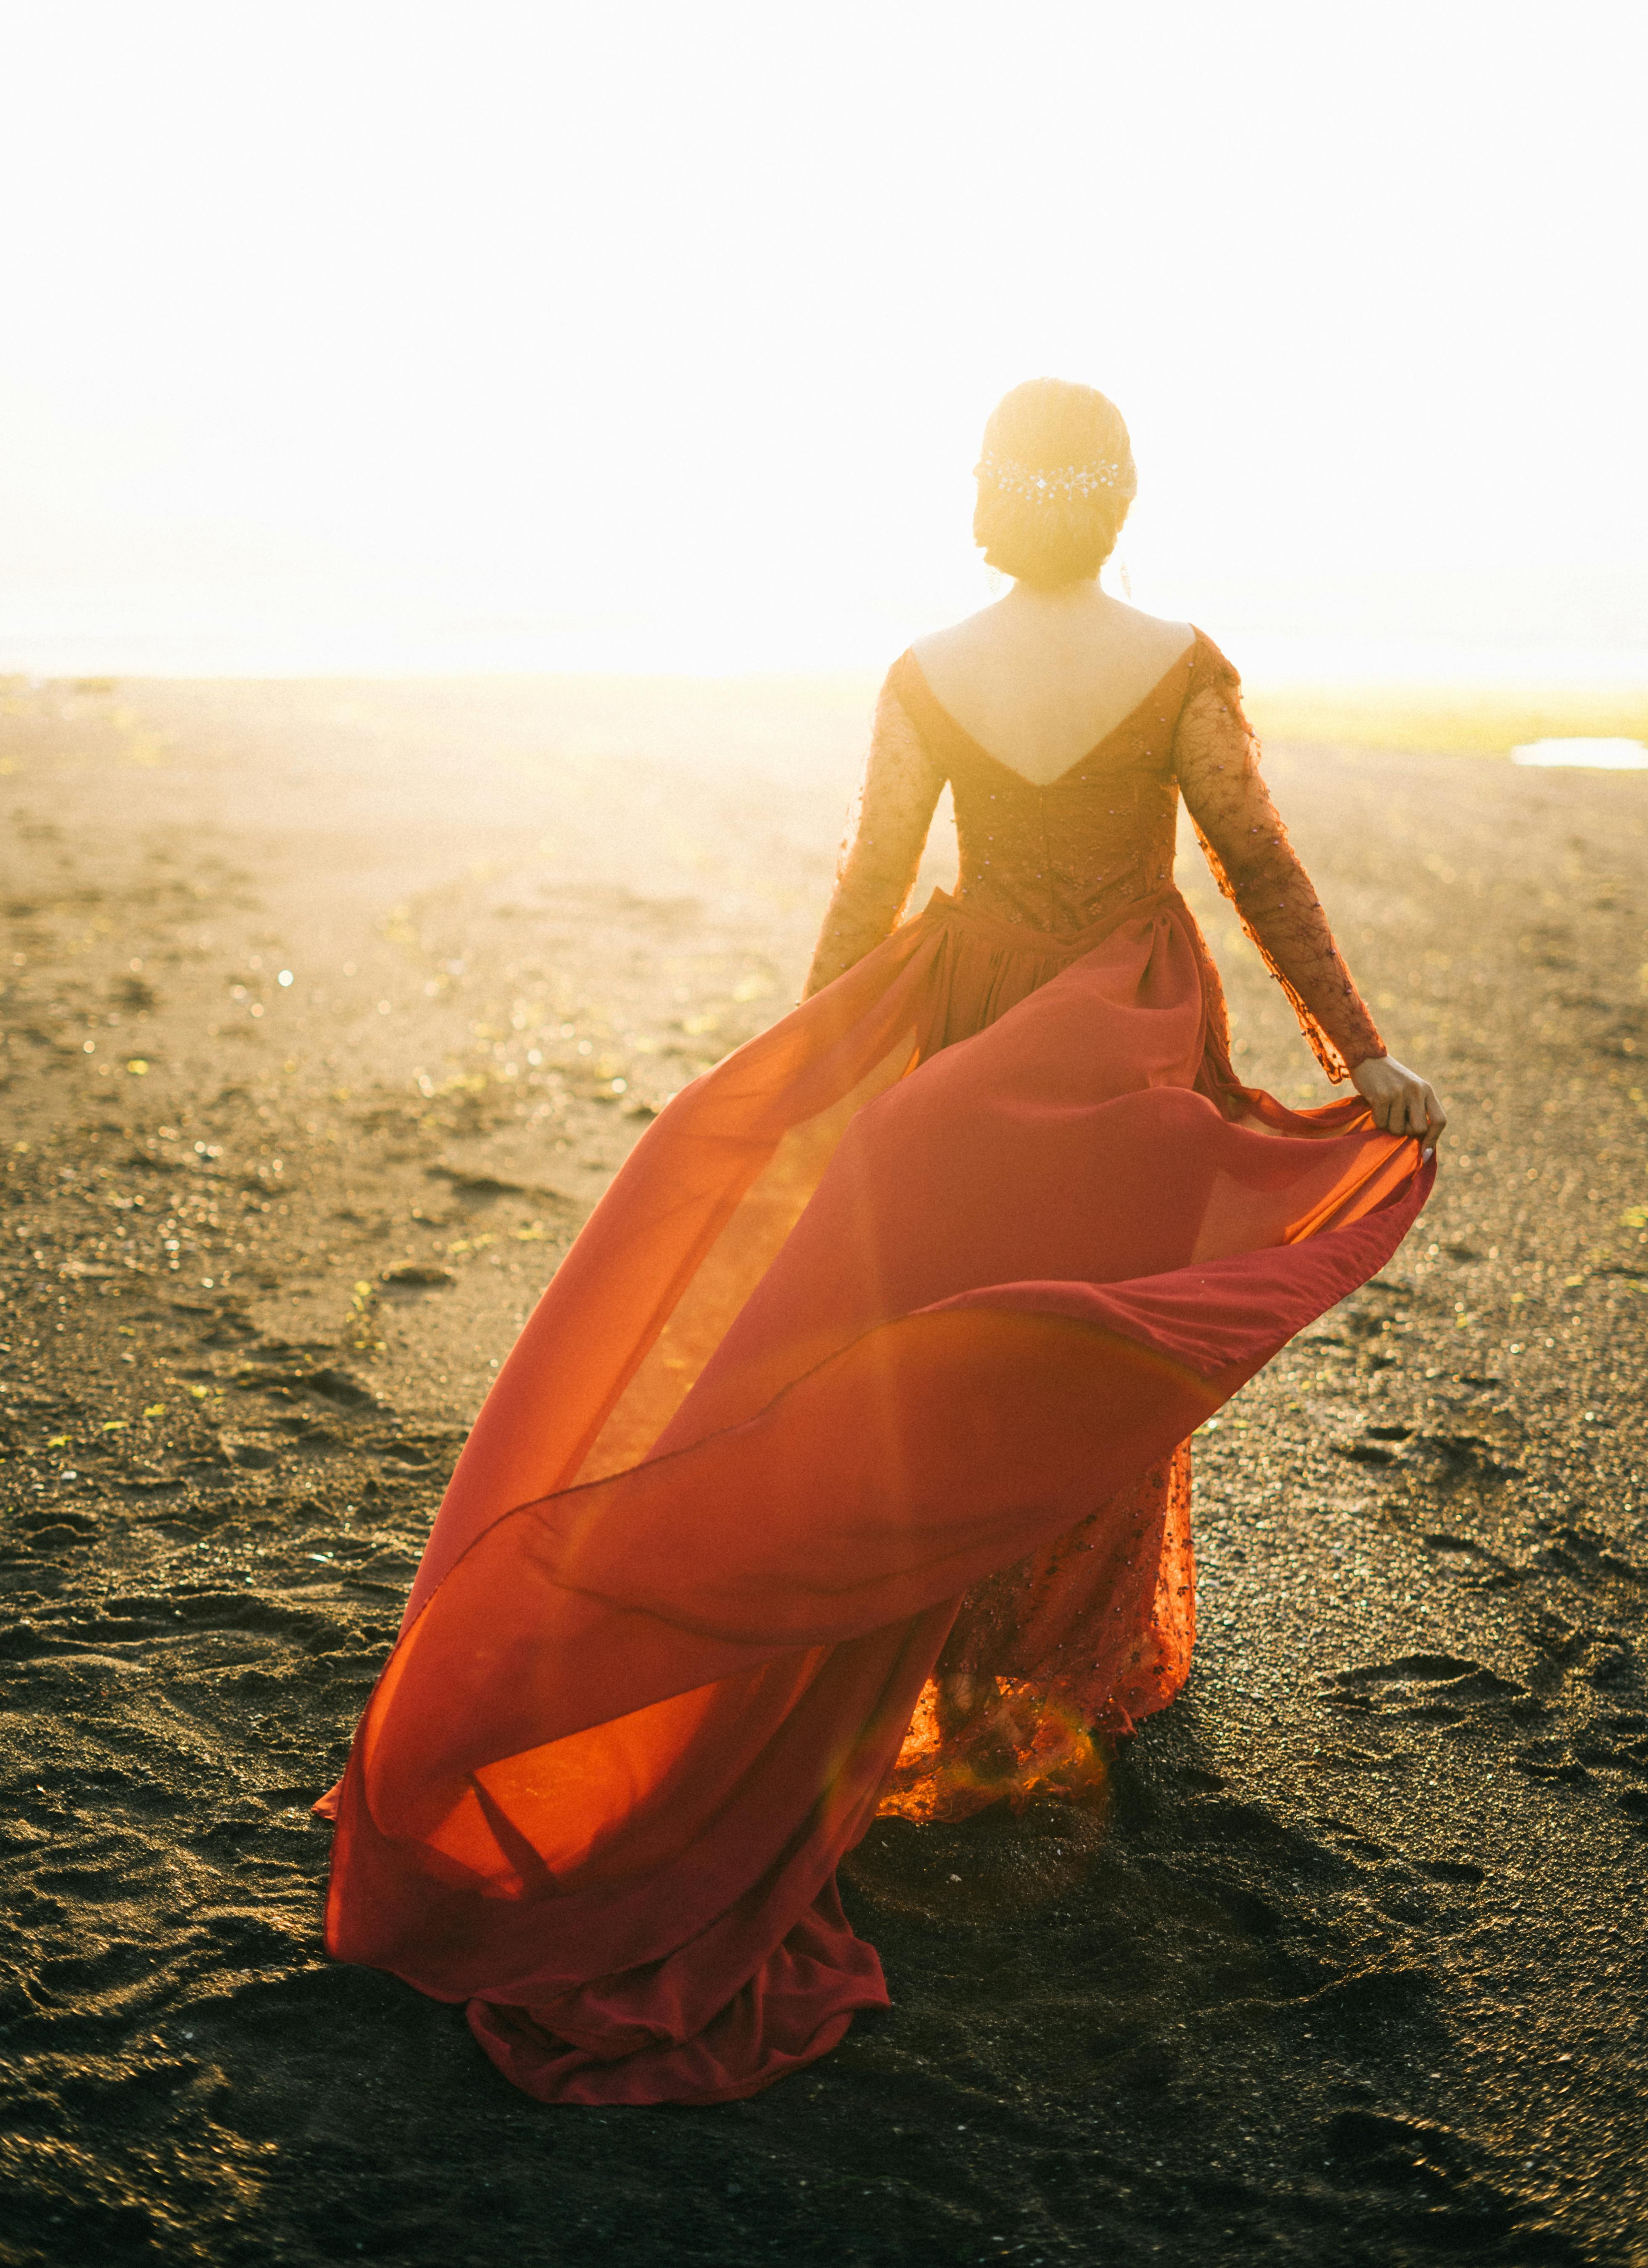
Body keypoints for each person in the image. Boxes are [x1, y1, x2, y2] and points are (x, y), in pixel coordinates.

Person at [321, 378, 1445, 2107]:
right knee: (1088, 1353)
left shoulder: (929, 669)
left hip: (956, 1048)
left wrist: (810, 1075)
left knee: (936, 1361)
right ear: (1120, 499)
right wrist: (1351, 1052)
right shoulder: (1175, 665)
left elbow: (868, 885)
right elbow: (1252, 863)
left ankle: (951, 1681)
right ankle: (1040, 1690)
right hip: (1126, 1043)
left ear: (989, 500)